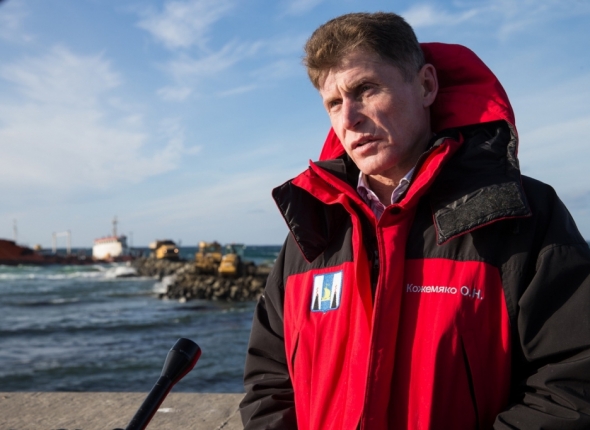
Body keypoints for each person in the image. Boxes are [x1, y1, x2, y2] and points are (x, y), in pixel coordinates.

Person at [239, 12, 590, 430]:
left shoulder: (521, 214)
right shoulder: (314, 230)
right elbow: (268, 382)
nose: (349, 119)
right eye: (334, 103)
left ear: (426, 85)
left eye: (365, 89)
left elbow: (572, 383)